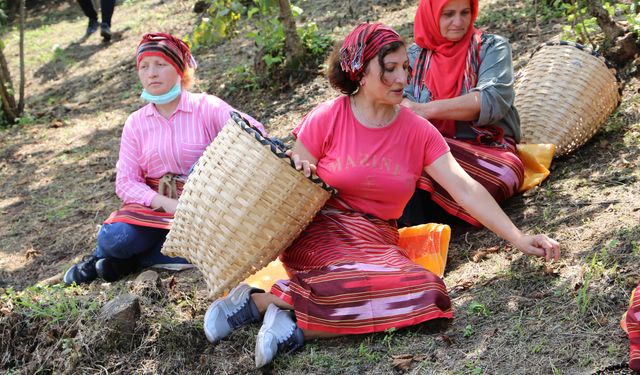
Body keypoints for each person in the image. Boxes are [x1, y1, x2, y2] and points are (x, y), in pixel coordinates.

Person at [202, 23, 560, 368]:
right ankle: (276, 314)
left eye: (405, 67)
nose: (402, 79)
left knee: (427, 292)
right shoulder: (328, 117)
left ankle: (278, 311)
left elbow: (464, 187)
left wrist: (518, 237)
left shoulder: (418, 130)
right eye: (389, 69)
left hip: (377, 238)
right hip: (320, 230)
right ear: (359, 70)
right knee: (353, 280)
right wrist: (301, 172)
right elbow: (291, 183)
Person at [63, 32, 265, 285]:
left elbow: (254, 133)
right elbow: (126, 182)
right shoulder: (136, 123)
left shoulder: (207, 107)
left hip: (205, 211)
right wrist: (164, 203)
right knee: (115, 238)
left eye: (161, 64)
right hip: (154, 212)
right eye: (144, 67)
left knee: (222, 251)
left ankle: (130, 262)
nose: (152, 73)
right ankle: (111, 256)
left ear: (180, 70)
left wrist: (217, 167)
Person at [400, 0, 524, 228]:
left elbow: (491, 98)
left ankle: (432, 217)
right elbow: (396, 102)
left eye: (465, 12)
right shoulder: (413, 57)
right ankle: (417, 234)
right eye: (448, 14)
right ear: (431, 15)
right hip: (432, 154)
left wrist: (424, 109)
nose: (459, 22)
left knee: (505, 174)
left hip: (487, 150)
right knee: (403, 164)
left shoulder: (491, 47)